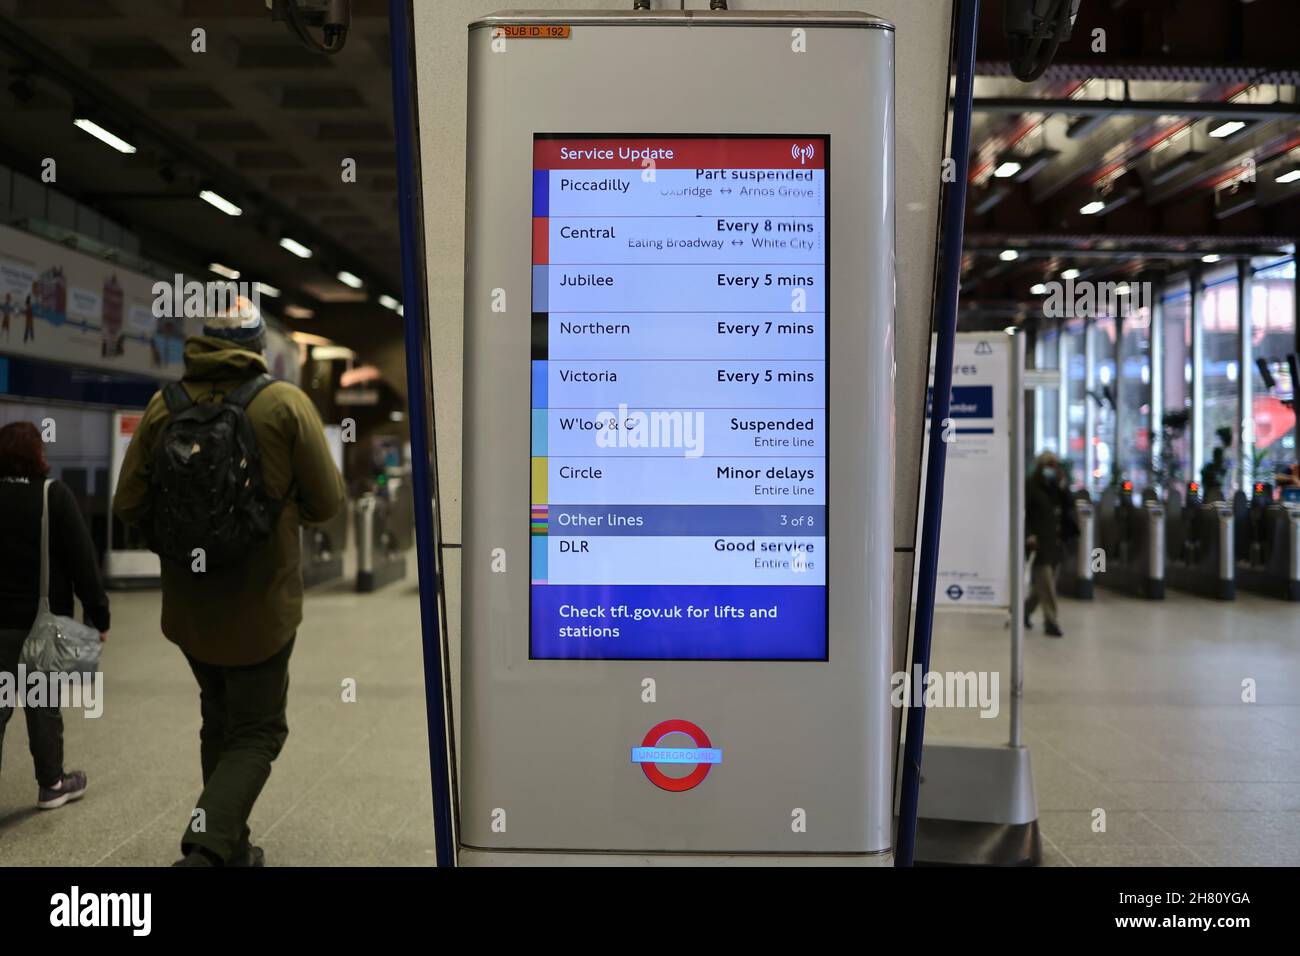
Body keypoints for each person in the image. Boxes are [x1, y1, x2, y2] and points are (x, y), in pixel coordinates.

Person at [113, 304, 345, 867]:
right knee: (258, 731)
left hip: (190, 610)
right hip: (263, 605)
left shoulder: (162, 407)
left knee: (216, 717)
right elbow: (328, 502)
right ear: (258, 348)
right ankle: (206, 851)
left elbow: (127, 505)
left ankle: (231, 844)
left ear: (202, 345)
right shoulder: (284, 403)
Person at [0, 421, 109, 809]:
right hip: (40, 626)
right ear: (37, 455)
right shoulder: (54, 496)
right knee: (42, 704)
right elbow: (83, 561)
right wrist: (99, 615)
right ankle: (52, 784)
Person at [1023, 450, 1079, 638]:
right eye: (1049, 465)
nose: (1052, 469)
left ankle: (1023, 612)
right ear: (1041, 466)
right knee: (1046, 585)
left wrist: (1063, 487)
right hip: (1039, 544)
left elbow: (1069, 507)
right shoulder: (1031, 486)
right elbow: (1023, 514)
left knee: (1042, 587)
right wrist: (1029, 535)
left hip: (1056, 543)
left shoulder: (1056, 487)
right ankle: (1051, 622)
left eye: (1055, 465)